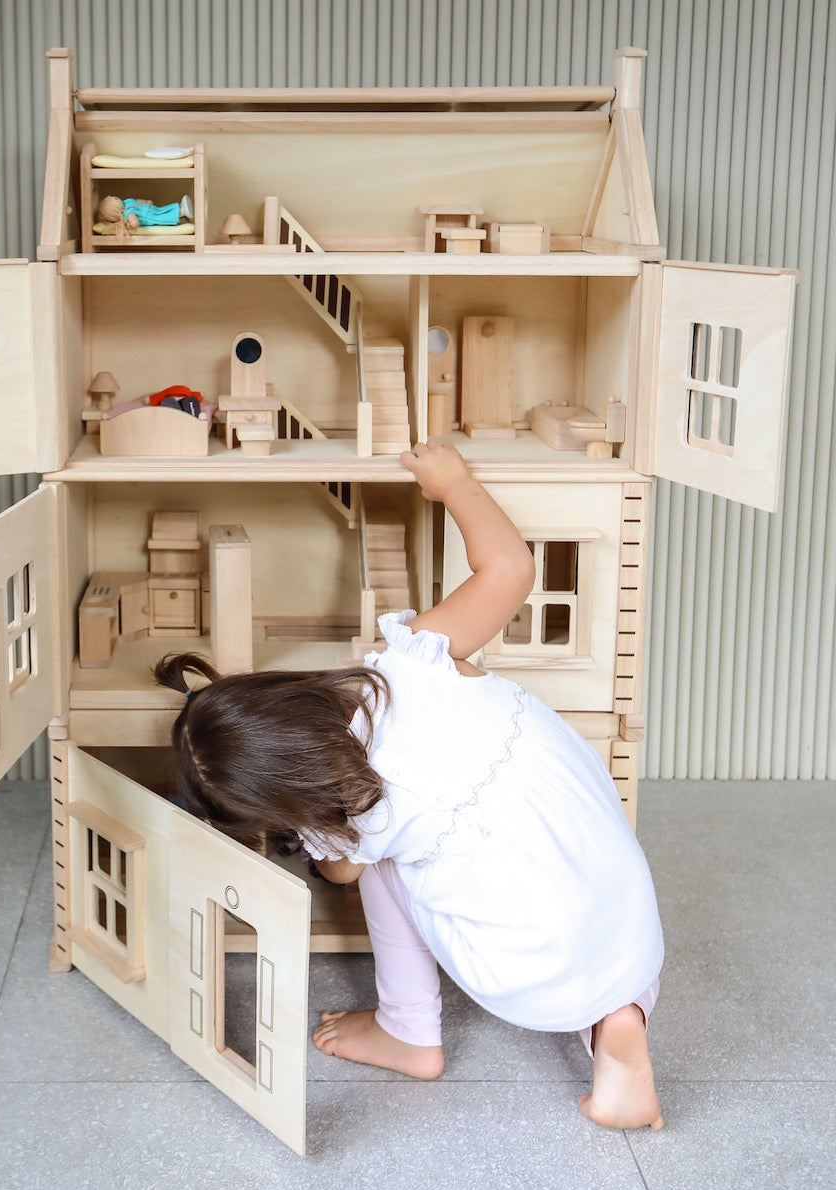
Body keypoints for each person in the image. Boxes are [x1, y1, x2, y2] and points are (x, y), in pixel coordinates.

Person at [152, 441, 665, 1131]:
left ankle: (408, 1031)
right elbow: (511, 568)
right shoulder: (413, 660)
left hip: (529, 972)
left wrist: (324, 839)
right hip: (630, 920)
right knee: (506, 851)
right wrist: (455, 484)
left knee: (378, 866)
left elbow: (337, 871)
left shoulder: (355, 812)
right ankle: (617, 1022)